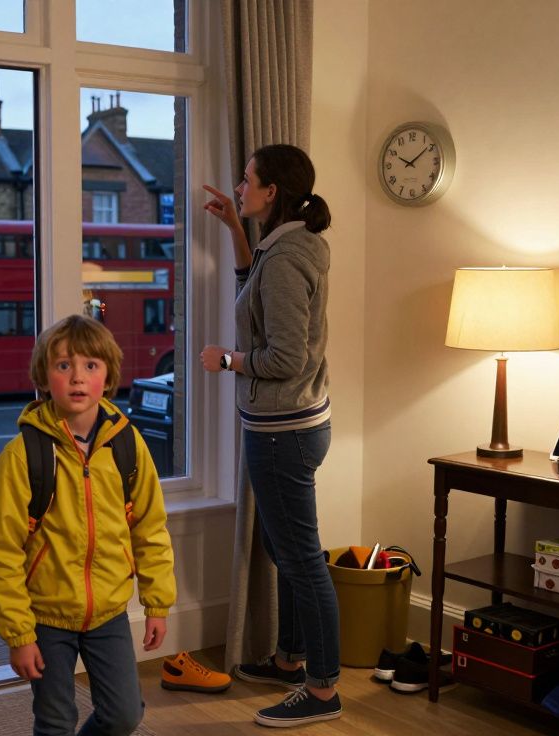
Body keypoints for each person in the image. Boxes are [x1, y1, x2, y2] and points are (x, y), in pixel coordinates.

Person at [0, 314, 176, 736]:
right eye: (63, 365)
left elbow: (150, 528)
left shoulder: (127, 444)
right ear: (44, 376)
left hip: (109, 613)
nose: (77, 377)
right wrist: (19, 634)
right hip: (45, 617)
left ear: (108, 376)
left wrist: (157, 602)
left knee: (125, 714)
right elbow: (0, 553)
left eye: (91, 365)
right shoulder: (22, 455)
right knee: (55, 722)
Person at [200, 143, 341, 727]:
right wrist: (237, 230)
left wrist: (227, 361)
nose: (239, 186)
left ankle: (324, 690)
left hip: (284, 431)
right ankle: (289, 659)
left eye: (246, 180)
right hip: (290, 424)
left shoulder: (285, 258)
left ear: (272, 192)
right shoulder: (280, 249)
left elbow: (284, 354)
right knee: (284, 551)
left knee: (302, 560)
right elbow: (251, 296)